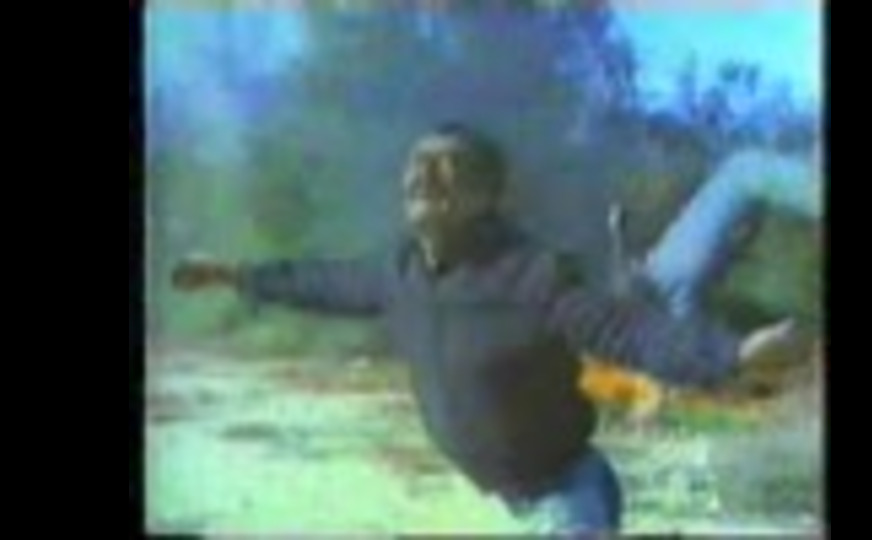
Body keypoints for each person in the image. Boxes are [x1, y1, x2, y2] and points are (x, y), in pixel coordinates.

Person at [171, 122, 808, 535]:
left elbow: (630, 334)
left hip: (566, 496)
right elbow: (321, 283)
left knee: (743, 175)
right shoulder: (399, 272)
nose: (424, 176)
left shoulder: (532, 277)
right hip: (501, 499)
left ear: (487, 195)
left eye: (448, 166)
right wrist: (235, 275)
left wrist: (735, 354)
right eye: (418, 163)